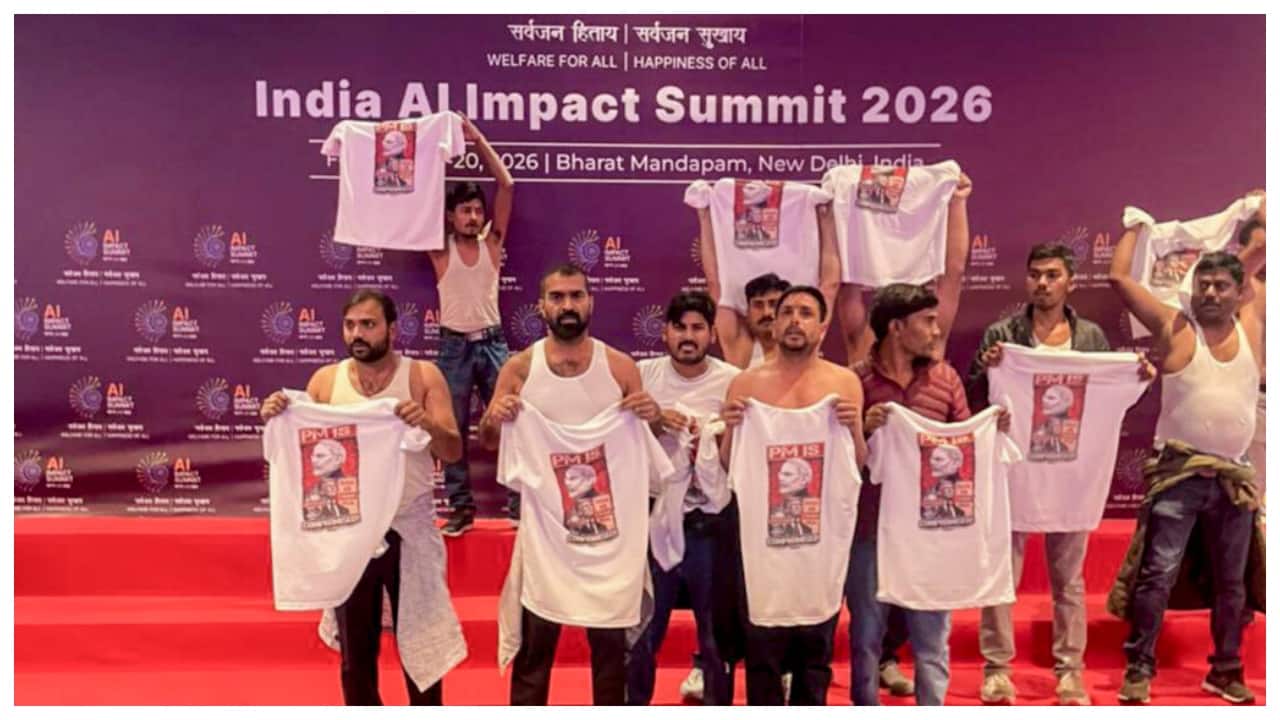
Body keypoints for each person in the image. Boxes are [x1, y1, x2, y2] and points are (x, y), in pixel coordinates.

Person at [966, 242, 1152, 705]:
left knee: (1069, 582)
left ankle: (1070, 673)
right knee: (1001, 577)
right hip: (1015, 470)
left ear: (1070, 281)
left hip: (1072, 477)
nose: (1042, 283)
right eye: (1035, 274)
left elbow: (1109, 396)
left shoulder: (1090, 337)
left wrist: (1138, 376)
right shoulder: (1003, 334)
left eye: (1052, 275)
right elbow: (973, 398)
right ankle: (996, 670)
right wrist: (987, 372)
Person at [259, 289, 464, 705]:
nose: (358, 333)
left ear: (392, 329)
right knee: (356, 654)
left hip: (409, 530)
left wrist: (426, 422)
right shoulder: (325, 382)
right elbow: (305, 454)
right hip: (348, 532)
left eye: (368, 324)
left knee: (422, 647)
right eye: (351, 325)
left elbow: (453, 450)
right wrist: (279, 414)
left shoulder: (422, 377)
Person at [478, 263, 660, 705]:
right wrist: (494, 418)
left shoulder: (620, 367)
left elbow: (644, 443)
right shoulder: (520, 369)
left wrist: (652, 417)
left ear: (590, 302)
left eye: (576, 295)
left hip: (609, 540)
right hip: (545, 536)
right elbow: (489, 441)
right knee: (534, 655)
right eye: (557, 297)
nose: (567, 305)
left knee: (611, 657)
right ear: (541, 306)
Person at [1106, 228, 1263, 705]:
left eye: (1221, 286)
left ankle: (1225, 670)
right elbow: (1118, 279)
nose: (1210, 293)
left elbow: (1258, 251)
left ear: (1240, 292)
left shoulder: (1251, 324)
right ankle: (1139, 667)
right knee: (1157, 575)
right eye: (1203, 284)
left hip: (1233, 480)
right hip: (1178, 478)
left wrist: (1262, 212)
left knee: (1232, 584)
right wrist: (1134, 228)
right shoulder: (1174, 326)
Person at [847, 283, 1009, 706]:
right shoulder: (855, 381)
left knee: (932, 641)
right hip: (869, 531)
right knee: (865, 638)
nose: (937, 331)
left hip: (932, 533)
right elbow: (838, 460)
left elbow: (964, 445)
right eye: (928, 321)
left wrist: (991, 431)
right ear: (897, 327)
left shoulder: (945, 378)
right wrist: (862, 429)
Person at [719, 285, 869, 705]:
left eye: (805, 313)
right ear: (774, 323)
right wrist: (731, 427)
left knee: (815, 656)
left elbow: (857, 465)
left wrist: (854, 428)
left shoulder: (844, 383)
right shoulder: (746, 384)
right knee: (762, 654)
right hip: (764, 546)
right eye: (786, 312)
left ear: (822, 327)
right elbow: (731, 468)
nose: (794, 321)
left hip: (820, 546)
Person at [627, 290, 740, 706]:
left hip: (711, 524)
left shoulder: (733, 381)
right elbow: (619, 433)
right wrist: (655, 422)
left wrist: (718, 433)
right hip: (653, 516)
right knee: (643, 630)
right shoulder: (642, 375)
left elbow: (743, 449)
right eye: (680, 328)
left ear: (712, 333)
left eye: (697, 328)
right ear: (665, 333)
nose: (688, 336)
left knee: (715, 635)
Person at [429, 115, 517, 536]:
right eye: (465, 210)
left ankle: (519, 505)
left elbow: (507, 185)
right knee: (452, 430)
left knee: (513, 423)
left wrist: (477, 139)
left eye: (478, 209)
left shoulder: (492, 244)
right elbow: (420, 199)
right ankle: (461, 508)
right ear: (450, 216)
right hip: (454, 348)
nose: (473, 216)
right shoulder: (438, 249)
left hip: (493, 344)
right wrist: (431, 147)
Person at [835, 172, 973, 366]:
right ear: (895, 326)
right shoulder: (864, 343)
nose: (933, 329)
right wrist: (841, 210)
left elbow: (954, 273)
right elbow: (847, 277)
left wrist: (958, 201)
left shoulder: (931, 337)